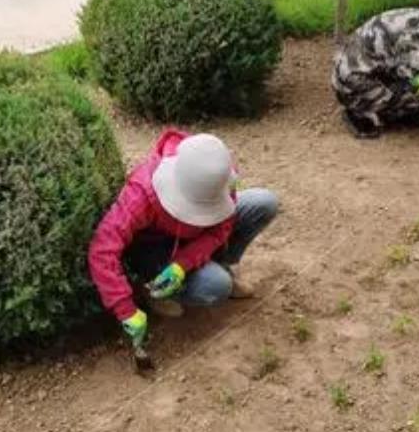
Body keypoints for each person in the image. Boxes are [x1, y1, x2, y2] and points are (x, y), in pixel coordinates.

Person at [88, 130, 279, 350]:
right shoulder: (143, 191)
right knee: (216, 286)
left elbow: (223, 226)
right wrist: (125, 309)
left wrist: (183, 264)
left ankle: (222, 266)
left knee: (264, 202)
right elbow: (103, 248)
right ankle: (154, 291)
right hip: (156, 246)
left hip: (196, 238)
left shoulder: (218, 174)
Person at [332, 7, 419, 139]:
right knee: (418, 102)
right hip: (353, 86)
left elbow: (403, 66)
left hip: (354, 72)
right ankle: (361, 114)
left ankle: (371, 103)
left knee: (411, 88)